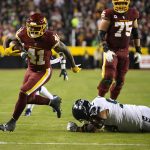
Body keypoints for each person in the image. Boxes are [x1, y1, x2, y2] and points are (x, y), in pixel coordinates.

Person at [0, 12, 81, 132]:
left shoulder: (49, 37)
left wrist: (73, 66)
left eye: (36, 28)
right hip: (30, 68)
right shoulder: (23, 33)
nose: (33, 31)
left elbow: (65, 49)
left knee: (23, 92)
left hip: (43, 71)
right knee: (29, 98)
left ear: (44, 28)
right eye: (31, 28)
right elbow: (9, 39)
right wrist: (7, 48)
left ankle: (12, 123)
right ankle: (52, 102)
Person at [97, 0, 142, 100]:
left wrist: (138, 50)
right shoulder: (109, 13)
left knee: (120, 80)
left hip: (124, 50)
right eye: (118, 4)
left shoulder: (133, 13)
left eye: (123, 3)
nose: (121, 6)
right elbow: (100, 34)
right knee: (109, 76)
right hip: (112, 50)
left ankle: (113, 101)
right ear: (114, 3)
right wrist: (106, 49)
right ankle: (99, 99)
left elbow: (135, 33)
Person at [67, 96, 150, 133]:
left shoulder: (99, 105)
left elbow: (95, 126)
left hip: (140, 117)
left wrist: (77, 129)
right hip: (137, 123)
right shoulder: (94, 107)